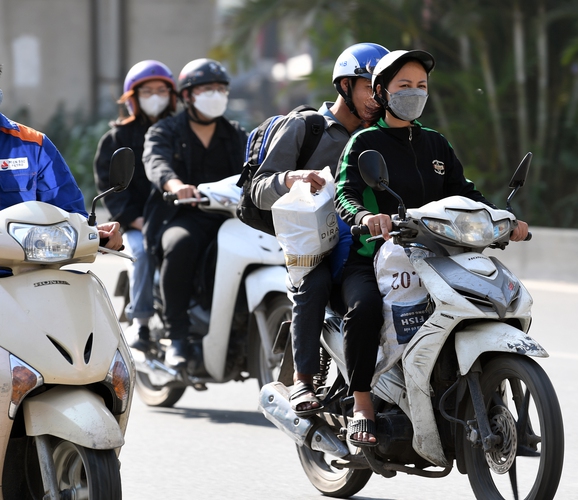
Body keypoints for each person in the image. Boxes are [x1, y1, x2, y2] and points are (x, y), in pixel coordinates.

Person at [334, 49, 530, 445]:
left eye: (421, 86)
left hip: (438, 254)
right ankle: (362, 404)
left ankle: (496, 404)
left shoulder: (435, 144)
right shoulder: (364, 142)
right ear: (382, 92)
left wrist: (504, 220)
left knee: (488, 301)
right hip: (373, 257)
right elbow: (345, 194)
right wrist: (365, 219)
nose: (414, 93)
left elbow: (465, 194)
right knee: (365, 309)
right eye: (404, 85)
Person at [251, 43, 389, 416]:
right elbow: (258, 189)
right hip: (312, 248)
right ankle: (302, 380)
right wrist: (290, 178)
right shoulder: (306, 127)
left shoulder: (381, 134)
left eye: (383, 89)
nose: (378, 98)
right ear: (345, 85)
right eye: (369, 87)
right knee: (313, 285)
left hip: (364, 249)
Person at [142, 58, 247, 366]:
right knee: (180, 244)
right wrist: (176, 186)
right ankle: (176, 336)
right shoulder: (166, 130)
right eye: (206, 89)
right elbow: (156, 163)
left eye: (220, 89)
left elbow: (255, 168)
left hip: (229, 217)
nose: (215, 95)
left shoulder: (237, 134)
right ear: (187, 96)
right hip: (181, 216)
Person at [94, 60, 177, 351]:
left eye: (161, 90)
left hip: (178, 219)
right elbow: (110, 189)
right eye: (147, 91)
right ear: (132, 97)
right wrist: (135, 219)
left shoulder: (181, 133)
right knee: (141, 253)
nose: (155, 96)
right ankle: (139, 324)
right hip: (137, 224)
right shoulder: (116, 138)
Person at [0, 64, 122, 250]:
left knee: (84, 280)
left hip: (26, 269)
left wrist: (92, 233)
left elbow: (67, 211)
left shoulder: (34, 144)